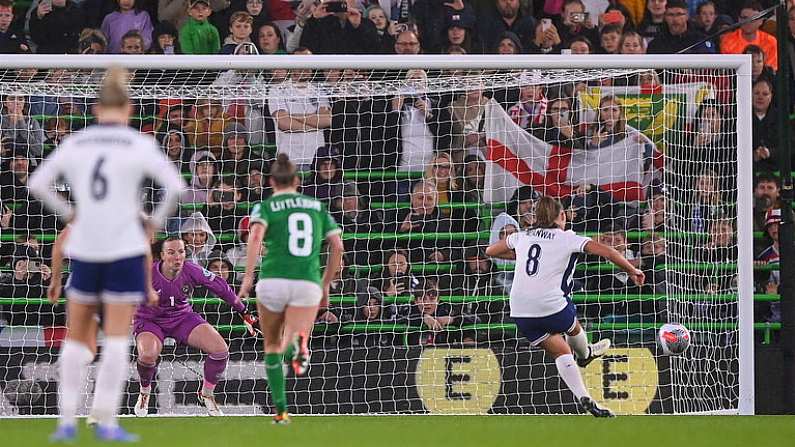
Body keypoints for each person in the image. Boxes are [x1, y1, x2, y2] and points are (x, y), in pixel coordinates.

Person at [28, 67, 185, 442]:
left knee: (78, 337)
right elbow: (176, 189)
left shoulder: (78, 142)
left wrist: (70, 214)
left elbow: (38, 184)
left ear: (97, 109)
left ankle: (66, 421)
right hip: (124, 251)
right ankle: (106, 419)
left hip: (86, 248)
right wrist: (153, 224)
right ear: (129, 108)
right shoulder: (138, 144)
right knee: (116, 339)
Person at [485, 196, 644, 418]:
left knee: (561, 351)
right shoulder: (568, 238)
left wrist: (519, 255)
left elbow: (490, 251)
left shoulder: (522, 237)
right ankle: (586, 353)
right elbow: (608, 252)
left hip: (520, 310)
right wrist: (631, 270)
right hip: (552, 306)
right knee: (573, 327)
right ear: (562, 216)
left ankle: (584, 397)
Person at [237, 153, 344, 424]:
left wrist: (248, 279)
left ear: (271, 181)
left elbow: (255, 236)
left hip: (273, 281)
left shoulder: (266, 206)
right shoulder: (316, 206)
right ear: (297, 180)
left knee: (272, 345)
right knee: (293, 334)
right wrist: (326, 283)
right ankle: (299, 343)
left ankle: (281, 411)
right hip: (306, 283)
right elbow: (338, 246)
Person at [132, 237, 258, 417]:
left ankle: (206, 393)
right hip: (150, 320)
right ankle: (144, 392)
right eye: (171, 252)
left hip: (182, 317)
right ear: (161, 256)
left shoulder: (191, 270)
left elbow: (220, 287)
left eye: (181, 252)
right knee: (147, 355)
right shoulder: (146, 274)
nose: (177, 257)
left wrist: (244, 311)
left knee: (220, 350)